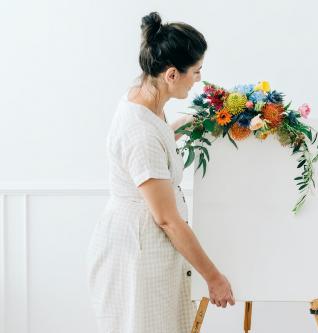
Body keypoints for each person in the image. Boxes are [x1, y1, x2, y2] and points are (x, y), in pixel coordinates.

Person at [86, 11, 235, 333]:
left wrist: (176, 129)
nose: (198, 79)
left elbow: (150, 143)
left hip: (145, 242)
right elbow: (167, 218)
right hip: (138, 250)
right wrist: (214, 278)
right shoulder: (139, 132)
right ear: (171, 74)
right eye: (195, 72)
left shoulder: (144, 98)